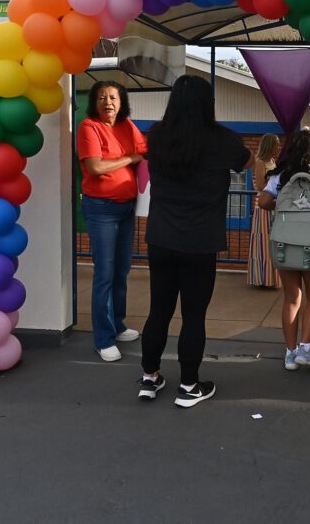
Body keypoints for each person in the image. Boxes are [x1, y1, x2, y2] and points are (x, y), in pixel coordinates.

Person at [138, 75, 253, 408]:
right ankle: (188, 386)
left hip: (161, 238)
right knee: (193, 316)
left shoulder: (157, 137)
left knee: (158, 310)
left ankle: (150, 378)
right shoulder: (222, 140)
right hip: (200, 241)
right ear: (208, 104)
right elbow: (248, 162)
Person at [76, 80, 147, 363]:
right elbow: (95, 166)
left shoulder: (127, 125)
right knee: (104, 274)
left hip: (126, 208)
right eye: (103, 97)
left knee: (121, 270)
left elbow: (146, 150)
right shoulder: (88, 128)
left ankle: (117, 325)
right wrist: (129, 158)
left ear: (122, 102)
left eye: (114, 98)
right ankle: (103, 339)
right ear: (94, 102)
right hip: (102, 209)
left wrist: (134, 157)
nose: (108, 102)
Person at [257, 130, 310, 371]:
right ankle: (305, 349)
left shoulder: (280, 176)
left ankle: (290, 353)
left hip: (285, 244)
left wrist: (281, 203)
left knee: (292, 299)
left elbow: (262, 202)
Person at [247, 133, 281, 289]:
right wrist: (274, 185)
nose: (278, 147)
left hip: (273, 205)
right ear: (270, 145)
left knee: (272, 242)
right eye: (276, 144)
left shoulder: (273, 161)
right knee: (263, 243)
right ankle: (263, 279)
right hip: (262, 207)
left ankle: (271, 278)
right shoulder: (260, 161)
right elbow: (260, 185)